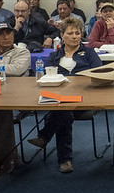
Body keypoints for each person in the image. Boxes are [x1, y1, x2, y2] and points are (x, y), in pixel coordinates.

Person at [28, 17, 102, 173]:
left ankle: (48, 141)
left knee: (61, 112)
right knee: (63, 113)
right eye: (70, 33)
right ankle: (64, 159)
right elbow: (46, 76)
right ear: (62, 35)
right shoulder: (54, 56)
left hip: (84, 97)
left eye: (77, 33)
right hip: (58, 98)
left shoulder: (89, 53)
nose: (75, 36)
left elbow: (98, 73)